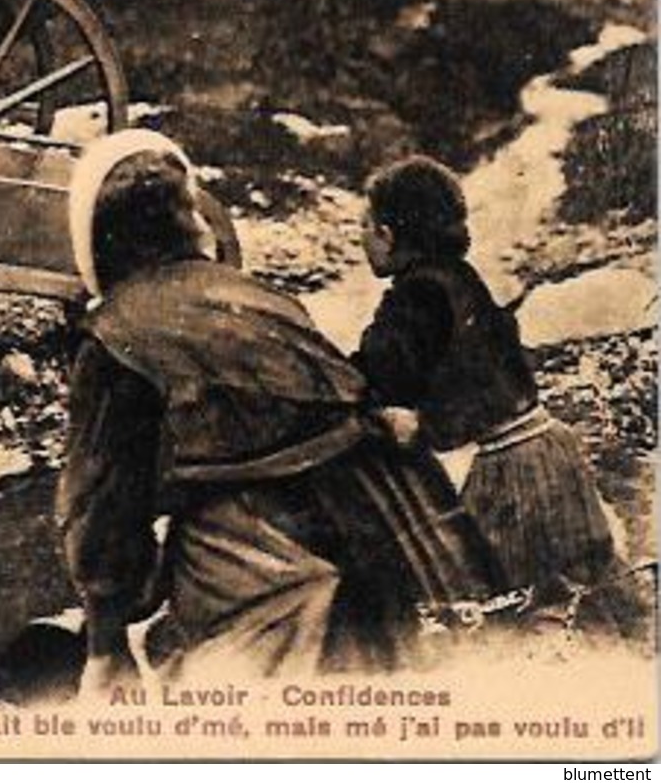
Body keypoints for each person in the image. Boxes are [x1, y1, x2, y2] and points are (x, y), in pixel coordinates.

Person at [57, 131, 497, 691]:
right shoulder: (264, 300)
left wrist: (105, 645)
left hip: (260, 553)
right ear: (191, 223)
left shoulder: (113, 335)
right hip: (386, 525)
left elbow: (101, 504)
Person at [353, 155, 621, 596]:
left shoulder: (416, 295)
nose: (363, 241)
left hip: (514, 473)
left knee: (505, 603)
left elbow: (383, 374)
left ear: (387, 234)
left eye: (364, 228)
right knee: (571, 598)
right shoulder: (459, 277)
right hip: (550, 450)